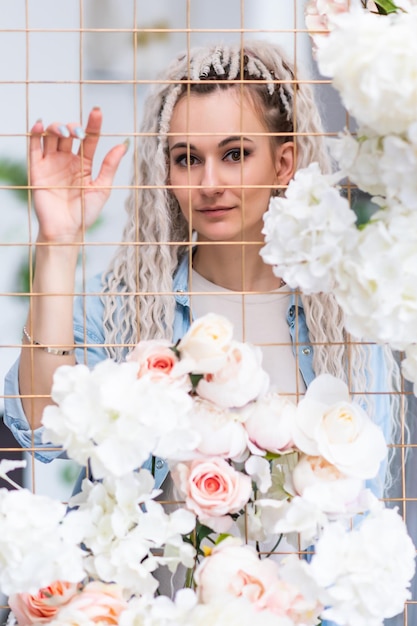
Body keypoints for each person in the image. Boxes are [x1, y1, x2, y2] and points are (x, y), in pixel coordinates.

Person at [4, 40, 398, 493]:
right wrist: (57, 241)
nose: (209, 184)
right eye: (187, 159)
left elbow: (362, 498)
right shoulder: (119, 308)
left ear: (283, 162)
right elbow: (40, 430)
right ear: (166, 173)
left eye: (235, 154)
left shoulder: (348, 321)